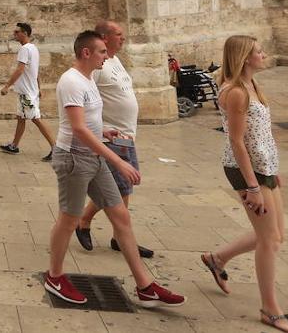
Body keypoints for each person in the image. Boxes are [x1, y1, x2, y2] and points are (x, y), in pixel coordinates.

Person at [43, 31, 183, 309]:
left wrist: (105, 130)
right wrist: (118, 160)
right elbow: (78, 129)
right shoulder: (71, 81)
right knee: (69, 219)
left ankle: (145, 286)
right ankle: (55, 277)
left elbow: (88, 121)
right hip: (74, 159)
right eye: (102, 52)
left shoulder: (88, 79)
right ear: (86, 53)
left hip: (93, 157)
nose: (107, 57)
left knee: (120, 216)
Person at [200, 36, 288, 333]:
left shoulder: (252, 87)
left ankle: (217, 258)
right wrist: (252, 186)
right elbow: (236, 141)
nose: (264, 55)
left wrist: (272, 171)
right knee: (269, 240)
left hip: (264, 167)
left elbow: (260, 134)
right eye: (259, 52)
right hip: (246, 171)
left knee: (276, 235)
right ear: (245, 58)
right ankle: (270, 310)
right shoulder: (235, 92)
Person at [74, 20, 156, 258]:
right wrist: (99, 131)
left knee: (123, 188)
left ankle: (99, 227)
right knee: (118, 189)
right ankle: (111, 233)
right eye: (118, 34)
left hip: (126, 134)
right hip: (112, 136)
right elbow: (87, 98)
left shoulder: (115, 60)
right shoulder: (97, 66)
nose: (124, 38)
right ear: (104, 37)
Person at [0, 22, 57, 160]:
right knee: (21, 118)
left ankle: (56, 149)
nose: (14, 34)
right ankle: (14, 145)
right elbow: (35, 71)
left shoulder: (25, 49)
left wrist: (7, 86)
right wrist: (39, 87)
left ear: (24, 33)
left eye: (17, 32)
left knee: (36, 119)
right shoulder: (33, 48)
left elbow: (20, 70)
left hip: (26, 93)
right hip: (28, 91)